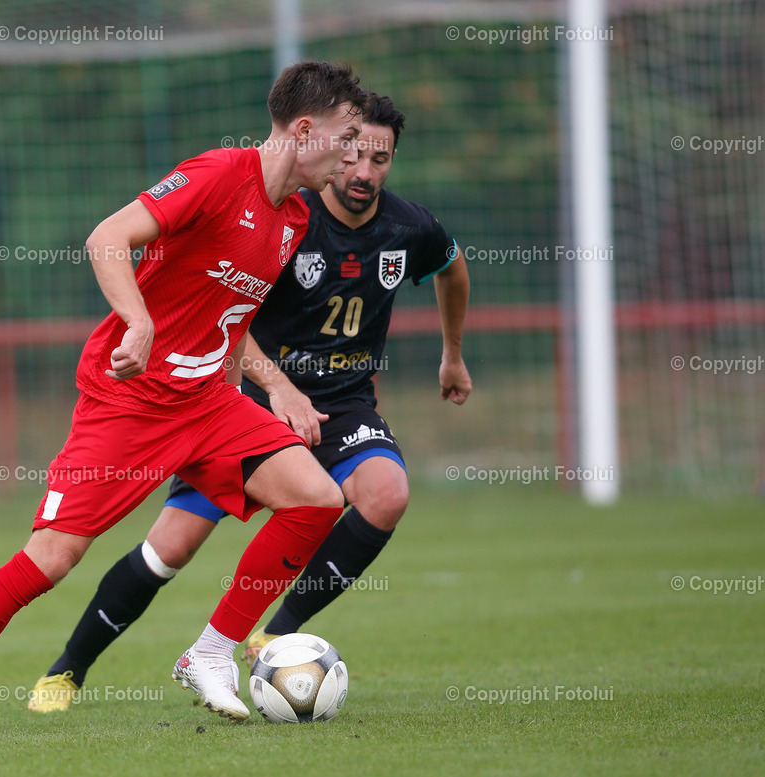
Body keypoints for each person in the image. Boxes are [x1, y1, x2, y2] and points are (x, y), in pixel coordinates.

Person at [0, 61, 369, 738]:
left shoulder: (295, 214)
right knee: (50, 560)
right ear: (305, 130)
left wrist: (276, 385)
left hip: (207, 404)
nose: (351, 153)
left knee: (317, 497)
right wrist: (138, 319)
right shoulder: (219, 174)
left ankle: (211, 651)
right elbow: (107, 237)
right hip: (129, 402)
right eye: (344, 136)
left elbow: (232, 314)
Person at [27, 93, 472, 713]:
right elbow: (231, 316)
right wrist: (277, 386)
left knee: (386, 493)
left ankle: (273, 632)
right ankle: (68, 668)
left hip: (341, 403)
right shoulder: (289, 215)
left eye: (381, 158)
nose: (364, 171)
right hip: (250, 402)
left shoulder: (408, 226)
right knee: (171, 547)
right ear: (330, 147)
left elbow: (453, 268)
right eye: (354, 153)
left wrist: (452, 352)